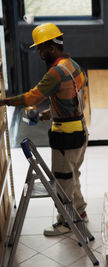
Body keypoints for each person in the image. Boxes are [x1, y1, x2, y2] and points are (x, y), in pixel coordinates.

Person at [0, 23, 88, 236]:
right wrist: (46, 114)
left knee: (63, 179)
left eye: (41, 48)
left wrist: (4, 101)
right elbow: (71, 100)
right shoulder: (72, 65)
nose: (39, 53)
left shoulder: (56, 73)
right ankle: (80, 212)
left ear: (51, 47)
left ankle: (66, 222)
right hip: (79, 131)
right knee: (73, 174)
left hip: (65, 135)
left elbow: (32, 97)